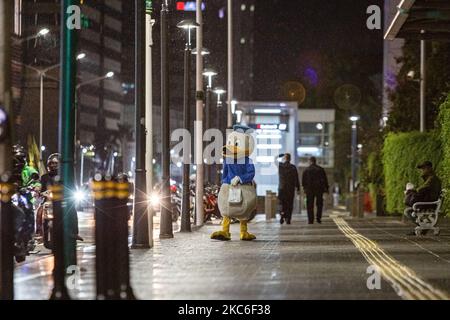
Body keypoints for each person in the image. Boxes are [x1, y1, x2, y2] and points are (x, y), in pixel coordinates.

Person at [404, 161, 442, 235]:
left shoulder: (432, 179)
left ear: (430, 168)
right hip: (429, 202)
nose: (423, 171)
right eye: (422, 169)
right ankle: (424, 226)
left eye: (424, 169)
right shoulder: (430, 178)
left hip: (428, 204)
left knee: (408, 211)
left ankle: (424, 226)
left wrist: (411, 191)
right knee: (409, 208)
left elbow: (421, 190)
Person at [302, 156, 329, 224]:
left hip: (309, 189)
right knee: (319, 204)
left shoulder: (306, 170)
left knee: (309, 205)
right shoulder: (320, 169)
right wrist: (326, 188)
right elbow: (325, 180)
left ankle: (310, 219)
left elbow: (303, 181)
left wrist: (304, 188)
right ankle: (318, 218)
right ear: (315, 161)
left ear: (310, 161)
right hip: (319, 189)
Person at [278, 153, 300, 224]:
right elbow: (296, 178)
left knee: (282, 203)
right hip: (290, 189)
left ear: (284, 158)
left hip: (282, 188)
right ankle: (288, 218)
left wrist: (279, 155)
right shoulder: (293, 167)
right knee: (289, 204)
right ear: (290, 159)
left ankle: (282, 215)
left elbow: (274, 161)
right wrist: (298, 188)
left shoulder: (280, 166)